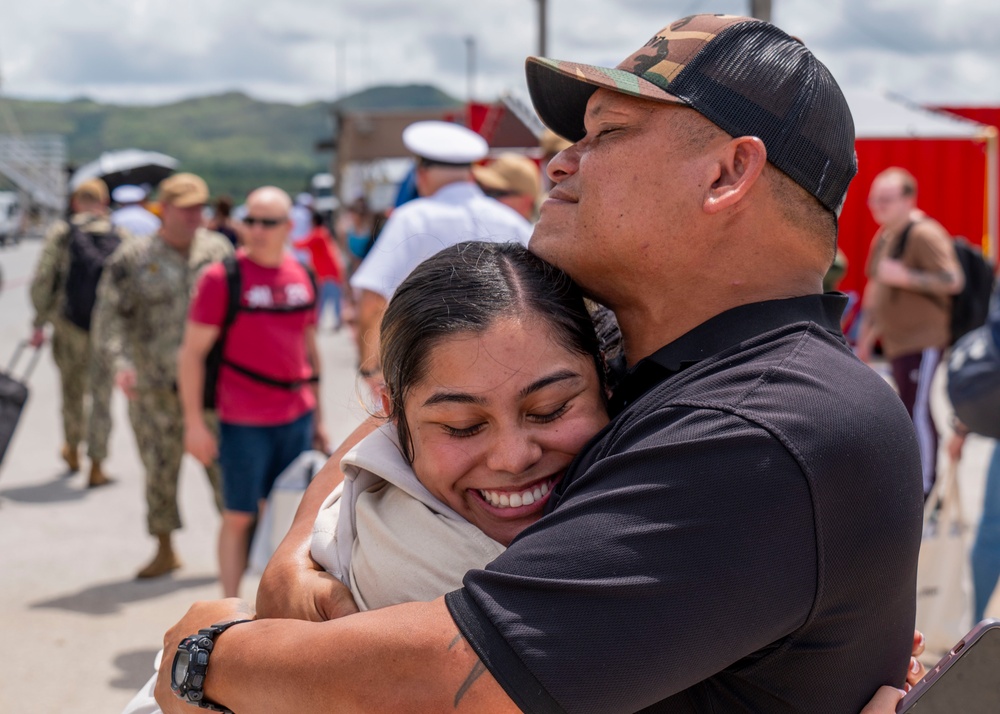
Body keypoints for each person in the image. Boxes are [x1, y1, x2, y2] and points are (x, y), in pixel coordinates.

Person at [155, 15, 924, 713]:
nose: (559, 164)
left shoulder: (768, 426)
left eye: (607, 134)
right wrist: (293, 555)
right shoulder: (666, 356)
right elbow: (393, 421)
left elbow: (453, 683)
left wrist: (209, 654)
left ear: (728, 173)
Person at [177, 186, 328, 598]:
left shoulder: (303, 275)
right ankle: (230, 605)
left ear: (288, 227)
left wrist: (320, 418)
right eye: (251, 220)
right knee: (240, 515)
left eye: (268, 222)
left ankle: (279, 603)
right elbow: (191, 355)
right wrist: (194, 424)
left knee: (294, 516)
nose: (257, 230)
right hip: (243, 420)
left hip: (296, 416)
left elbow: (309, 350)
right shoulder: (221, 278)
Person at [92, 172, 233, 579]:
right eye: (186, 209)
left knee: (227, 474)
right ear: (163, 209)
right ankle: (165, 547)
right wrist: (121, 365)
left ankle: (244, 548)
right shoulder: (133, 258)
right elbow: (108, 317)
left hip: (210, 390)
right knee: (158, 472)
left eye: (199, 208)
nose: (194, 216)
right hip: (153, 390)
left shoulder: (218, 250)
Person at [349, 120, 532, 387]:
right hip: (509, 372)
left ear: (421, 173)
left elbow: (373, 301)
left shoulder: (411, 219)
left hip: (429, 375)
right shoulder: (511, 220)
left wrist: (372, 370)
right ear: (471, 174)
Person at [857, 167, 964, 496]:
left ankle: (926, 493)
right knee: (907, 409)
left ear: (908, 200)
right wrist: (864, 340)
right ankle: (915, 489)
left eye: (886, 200)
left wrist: (906, 277)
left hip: (923, 342)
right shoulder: (886, 235)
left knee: (917, 411)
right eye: (874, 200)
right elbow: (876, 287)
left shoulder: (924, 234)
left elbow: (953, 280)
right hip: (896, 343)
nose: (878, 207)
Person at [29, 177, 124, 488]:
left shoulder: (62, 231)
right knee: (101, 395)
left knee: (72, 392)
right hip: (107, 328)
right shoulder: (118, 233)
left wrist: (39, 320)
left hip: (69, 325)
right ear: (104, 202)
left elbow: (44, 278)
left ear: (74, 202)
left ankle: (72, 447)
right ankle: (97, 463)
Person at [293, 210, 345, 330]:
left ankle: (319, 322)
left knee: (325, 298)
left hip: (328, 273)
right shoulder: (322, 232)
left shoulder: (318, 234)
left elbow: (302, 244)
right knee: (331, 298)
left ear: (314, 221)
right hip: (328, 272)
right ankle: (331, 322)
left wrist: (287, 239)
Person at [473, 152, 542, 222]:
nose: (483, 198)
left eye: (494, 193)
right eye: (481, 190)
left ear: (525, 202)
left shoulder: (540, 232)